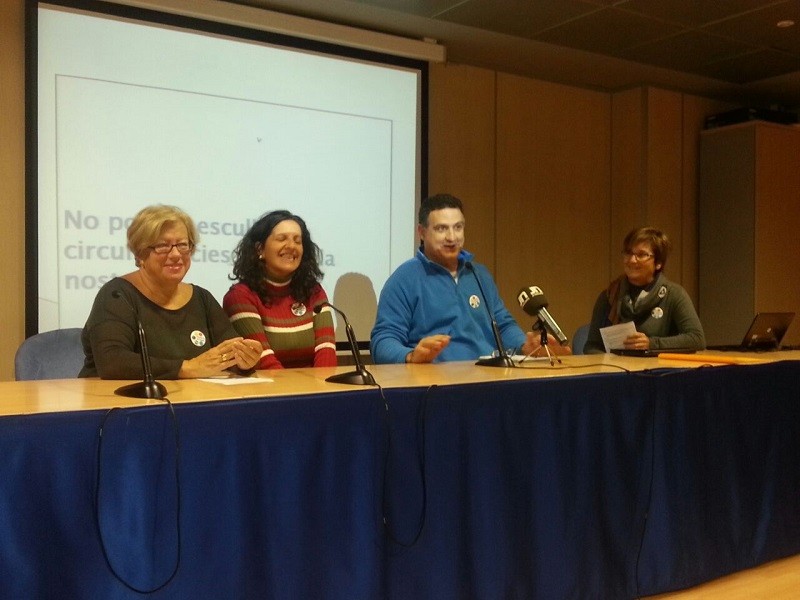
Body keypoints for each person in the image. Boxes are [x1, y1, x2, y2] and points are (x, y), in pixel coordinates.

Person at [370, 193, 571, 364]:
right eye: (441, 229)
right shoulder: (403, 279)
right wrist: (411, 356)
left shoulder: (478, 274)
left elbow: (503, 325)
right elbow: (383, 341)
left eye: (458, 227)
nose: (452, 237)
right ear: (421, 233)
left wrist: (525, 346)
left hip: (487, 376)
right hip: (435, 384)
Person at [80, 205, 262, 379]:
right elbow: (112, 362)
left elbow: (228, 353)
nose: (176, 254)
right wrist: (186, 368)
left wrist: (244, 360)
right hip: (117, 398)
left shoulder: (202, 298)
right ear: (140, 253)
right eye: (162, 246)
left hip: (192, 397)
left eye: (182, 245)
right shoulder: (117, 295)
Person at [223, 210, 337, 369]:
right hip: (270, 384)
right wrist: (303, 386)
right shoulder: (240, 296)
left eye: (298, 241)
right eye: (282, 239)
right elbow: (263, 361)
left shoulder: (314, 291)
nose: (291, 246)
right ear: (260, 249)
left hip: (315, 383)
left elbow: (326, 350)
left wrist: (321, 383)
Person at [584, 226, 706, 354]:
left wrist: (652, 344)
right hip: (615, 365)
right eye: (628, 253)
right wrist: (610, 362)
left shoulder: (674, 294)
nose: (632, 260)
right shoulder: (610, 295)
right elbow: (592, 346)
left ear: (658, 263)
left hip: (658, 366)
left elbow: (696, 339)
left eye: (641, 255)